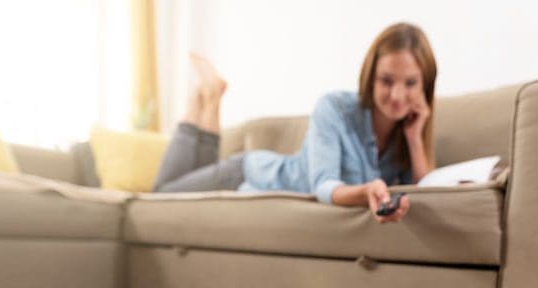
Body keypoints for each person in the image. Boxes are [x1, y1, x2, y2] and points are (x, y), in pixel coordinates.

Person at [153, 22, 436, 224]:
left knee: (181, 186)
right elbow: (324, 186)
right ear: (370, 75)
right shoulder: (334, 107)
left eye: (410, 83)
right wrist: (365, 192)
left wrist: (414, 138)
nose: (398, 95)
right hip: (248, 174)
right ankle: (201, 97)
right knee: (160, 196)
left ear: (424, 84)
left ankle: (211, 95)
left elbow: (428, 195)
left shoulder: (407, 132)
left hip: (251, 173)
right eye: (386, 80)